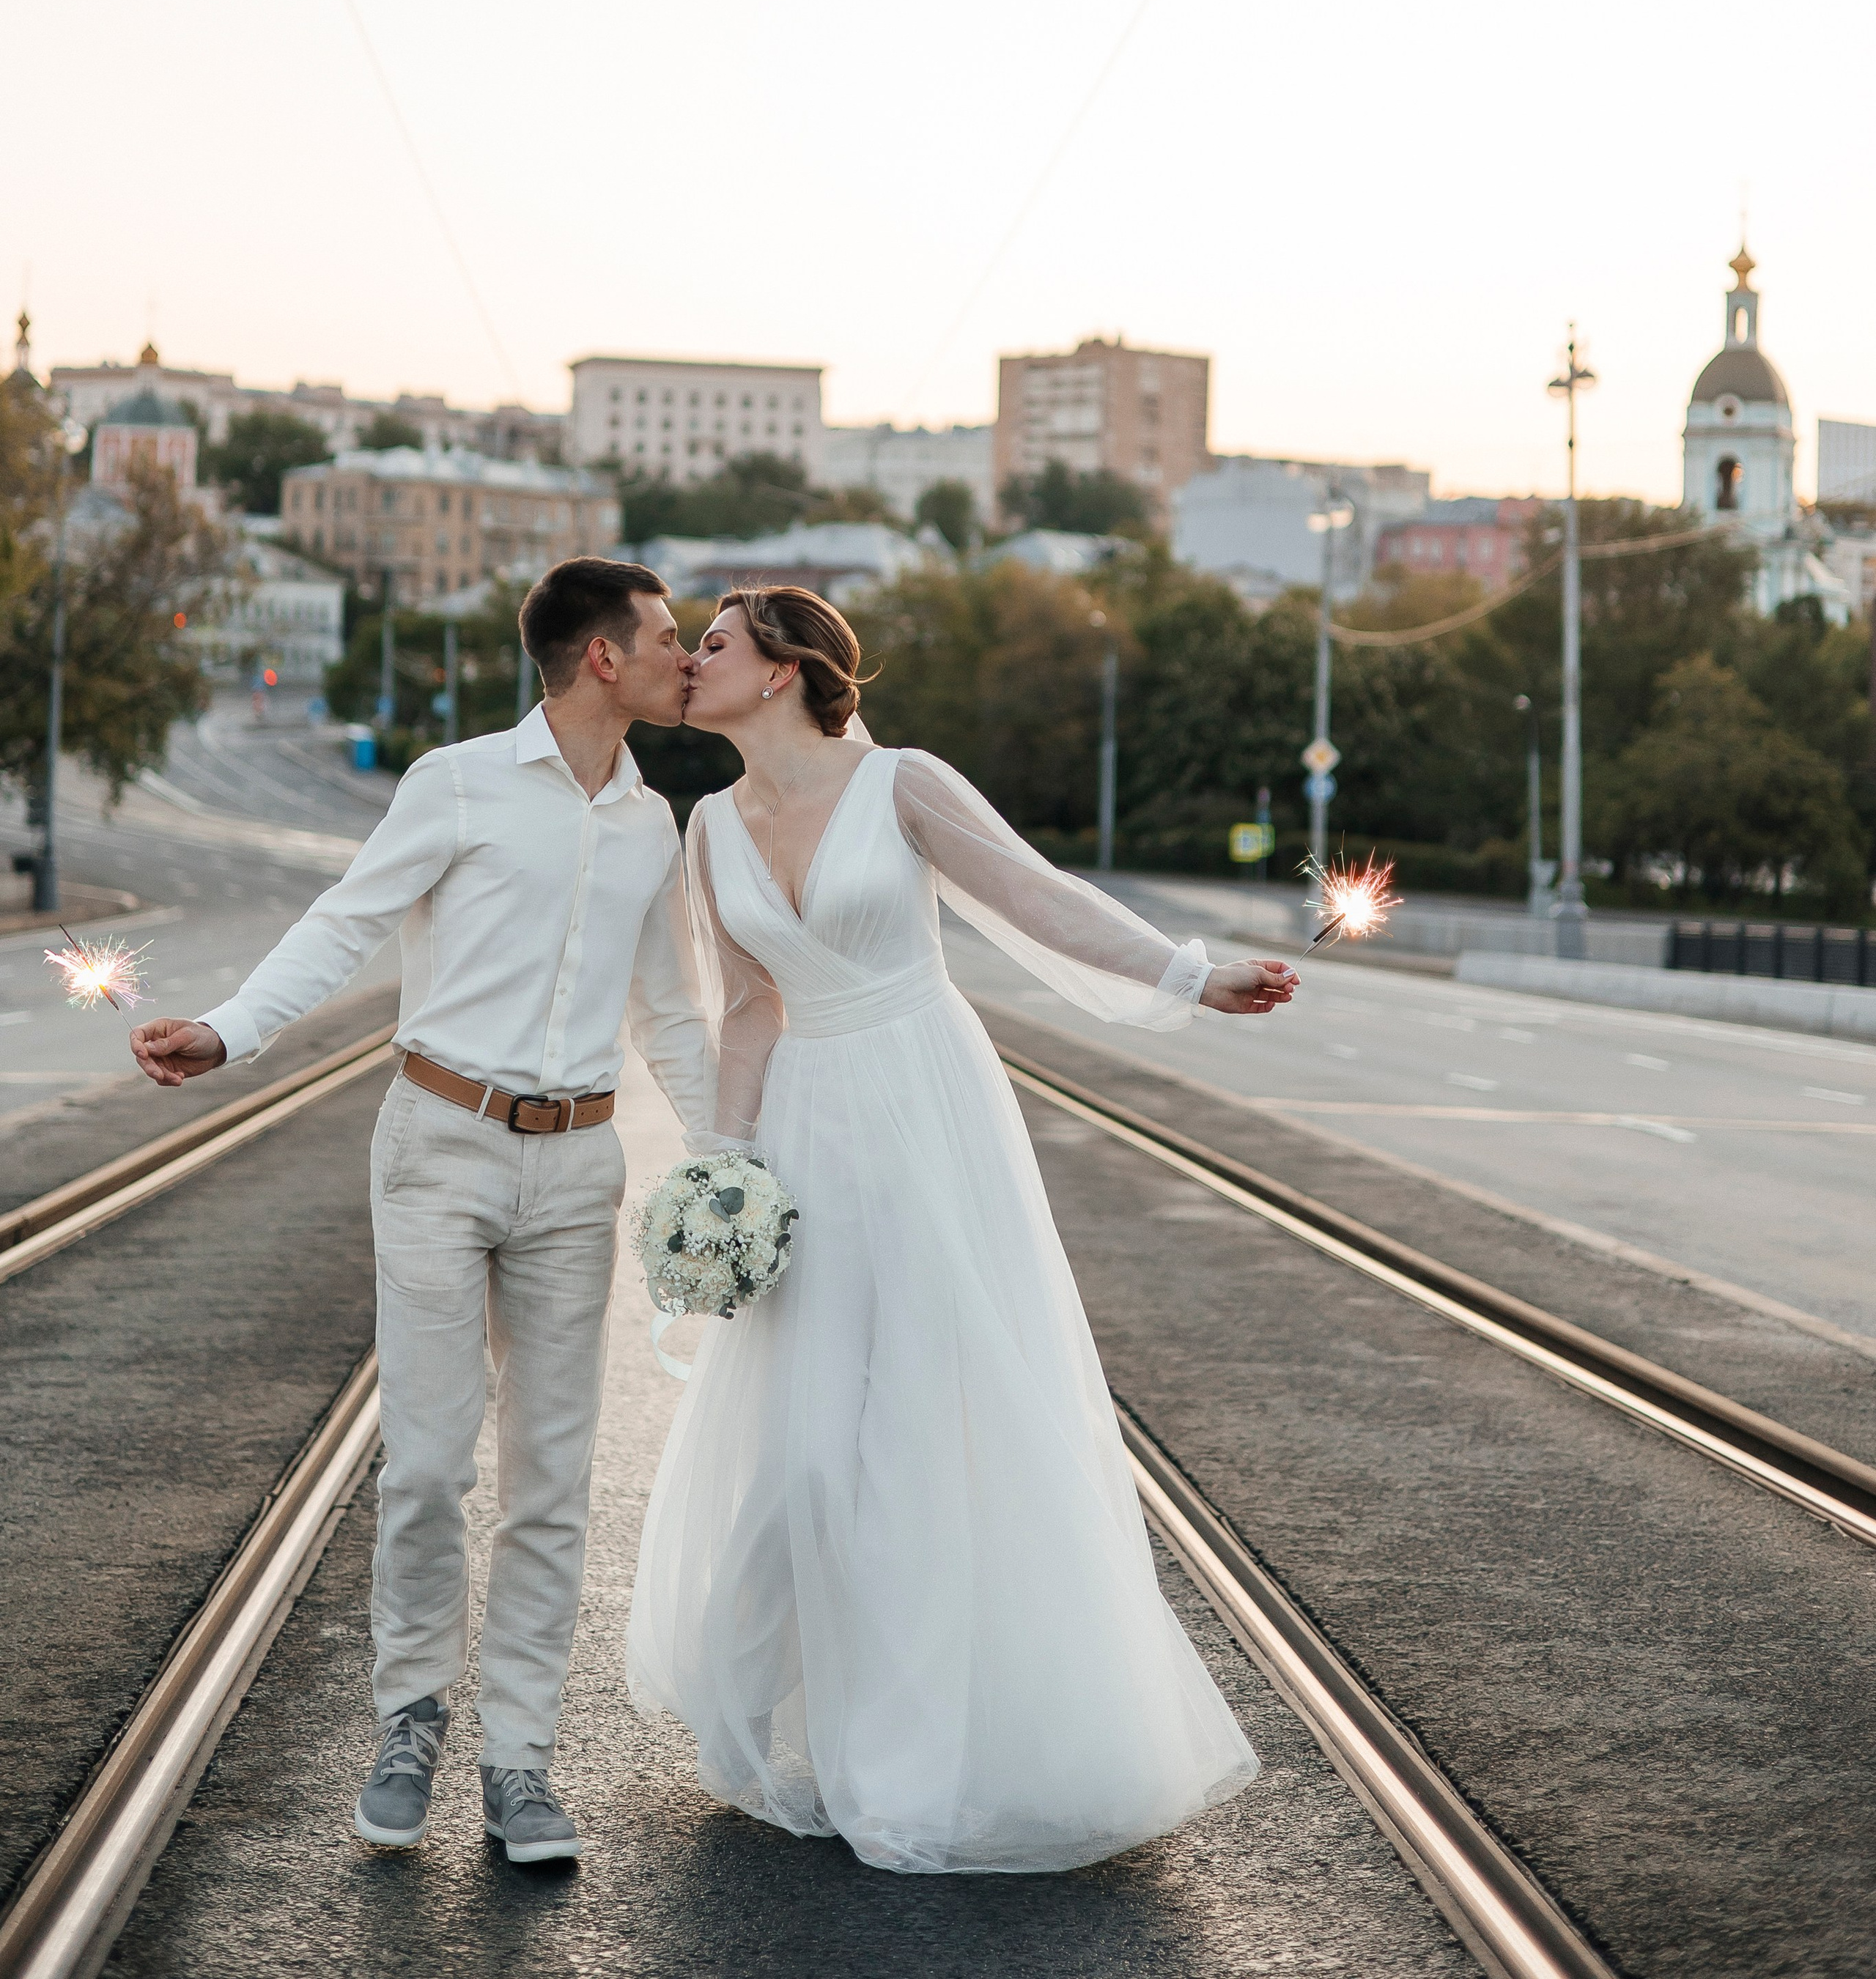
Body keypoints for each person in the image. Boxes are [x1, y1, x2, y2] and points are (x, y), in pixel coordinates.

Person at [627, 585, 1299, 1875]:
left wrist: (1187, 974)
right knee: (813, 1451)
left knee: (936, 1428)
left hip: (928, 1107)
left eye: (711, 645)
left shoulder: (905, 783)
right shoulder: (707, 826)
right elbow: (750, 1010)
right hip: (805, 1132)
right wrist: (724, 1167)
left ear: (782, 673)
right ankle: (823, 1724)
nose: (688, 663)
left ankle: (919, 1767)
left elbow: (1037, 898)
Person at [130, 558, 720, 1866]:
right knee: (433, 1465)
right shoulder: (454, 783)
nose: (690, 658)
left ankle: (520, 1761)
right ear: (602, 659)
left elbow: (669, 1013)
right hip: (440, 1146)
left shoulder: (648, 824)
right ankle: (411, 1718)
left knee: (555, 1483)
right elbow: (347, 922)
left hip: (580, 1166)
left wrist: (735, 1155)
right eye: (670, 639)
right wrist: (230, 1032)